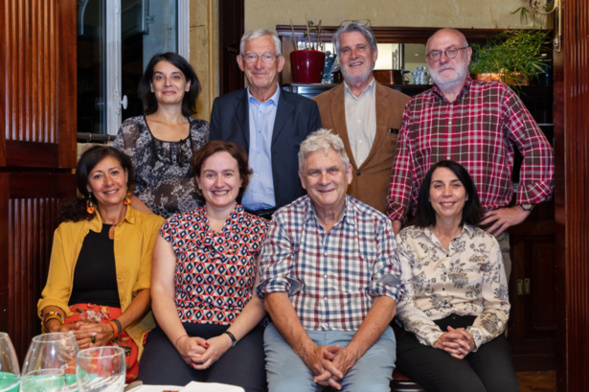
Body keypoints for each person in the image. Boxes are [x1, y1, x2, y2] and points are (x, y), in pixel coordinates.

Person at [386, 28, 554, 279]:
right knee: (425, 317)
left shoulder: (498, 97)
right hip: (427, 241)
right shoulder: (415, 107)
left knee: (490, 317)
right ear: (427, 61)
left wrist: (524, 206)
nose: (443, 59)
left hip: (485, 235)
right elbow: (403, 169)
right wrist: (396, 219)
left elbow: (537, 147)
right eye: (435, 53)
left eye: (451, 51)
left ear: (468, 55)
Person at [256, 129, 405, 392]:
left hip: (363, 338)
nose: (324, 180)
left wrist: (349, 355)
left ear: (348, 173)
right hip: (293, 337)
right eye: (314, 172)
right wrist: (309, 352)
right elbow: (273, 293)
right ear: (302, 179)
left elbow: (388, 298)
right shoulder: (283, 221)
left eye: (332, 170)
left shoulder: (377, 224)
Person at [138, 141, 269, 392]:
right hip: (177, 332)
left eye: (228, 174)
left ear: (241, 180)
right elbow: (161, 290)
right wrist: (181, 341)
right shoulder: (173, 227)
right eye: (210, 175)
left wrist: (226, 340)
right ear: (198, 181)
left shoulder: (263, 231)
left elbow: (259, 297)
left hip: (239, 335)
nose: (219, 183)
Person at [38, 146, 164, 382]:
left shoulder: (152, 226)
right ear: (88, 186)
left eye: (114, 172)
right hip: (74, 327)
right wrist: (57, 332)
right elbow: (54, 294)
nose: (108, 182)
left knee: (97, 372)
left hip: (125, 326)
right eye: (97, 176)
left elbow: (148, 290)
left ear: (126, 176)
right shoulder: (67, 231)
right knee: (57, 372)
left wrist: (112, 328)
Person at [394, 160, 518, 392]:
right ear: (427, 195)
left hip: (478, 330)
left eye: (455, 185)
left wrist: (473, 337)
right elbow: (403, 304)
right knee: (466, 388)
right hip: (421, 333)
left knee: (503, 388)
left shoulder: (486, 242)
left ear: (467, 194)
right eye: (438, 185)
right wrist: (436, 337)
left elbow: (498, 304)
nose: (447, 193)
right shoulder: (406, 240)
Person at [210, 29, 322, 219]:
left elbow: (316, 169)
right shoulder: (223, 108)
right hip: (235, 219)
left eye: (267, 56)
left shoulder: (305, 110)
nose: (259, 65)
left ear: (279, 63)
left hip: (291, 220)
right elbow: (212, 168)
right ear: (241, 63)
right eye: (252, 56)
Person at [313, 21, 409, 213]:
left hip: (386, 219)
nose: (354, 55)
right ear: (340, 57)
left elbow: (411, 171)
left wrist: (399, 216)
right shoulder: (316, 106)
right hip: (332, 219)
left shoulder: (404, 105)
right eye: (346, 50)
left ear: (374, 54)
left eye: (360, 47)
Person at [114, 52, 209, 218]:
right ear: (151, 86)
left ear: (187, 85)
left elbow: (216, 184)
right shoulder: (133, 129)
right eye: (159, 77)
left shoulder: (204, 131)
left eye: (176, 77)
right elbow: (118, 186)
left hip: (197, 232)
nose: (167, 83)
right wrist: (157, 227)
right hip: (144, 227)